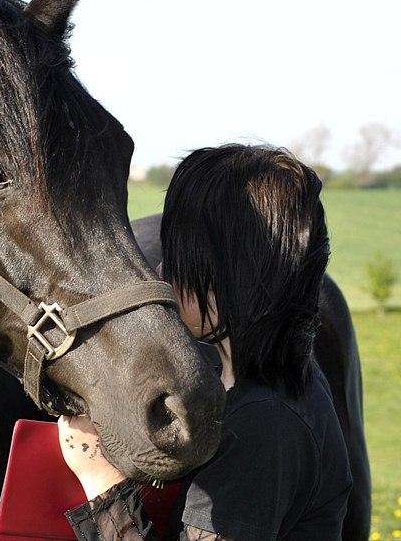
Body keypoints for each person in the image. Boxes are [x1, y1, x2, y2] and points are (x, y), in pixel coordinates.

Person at [58, 145, 352, 540]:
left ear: (231, 276)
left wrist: (104, 487)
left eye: (180, 261)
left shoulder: (261, 427)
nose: (162, 271)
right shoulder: (261, 385)